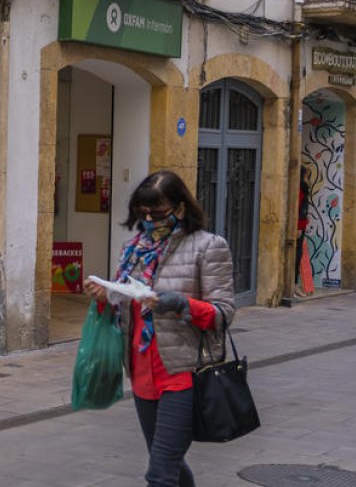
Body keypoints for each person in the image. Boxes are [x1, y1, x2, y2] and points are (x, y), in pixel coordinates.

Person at [82, 170, 235, 487]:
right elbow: (124, 306)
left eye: (157, 211)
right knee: (172, 466)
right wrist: (105, 297)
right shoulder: (133, 249)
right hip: (142, 372)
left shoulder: (208, 247)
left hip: (183, 374)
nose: (149, 218)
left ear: (180, 208)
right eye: (142, 212)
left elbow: (224, 313)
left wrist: (180, 304)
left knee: (160, 474)